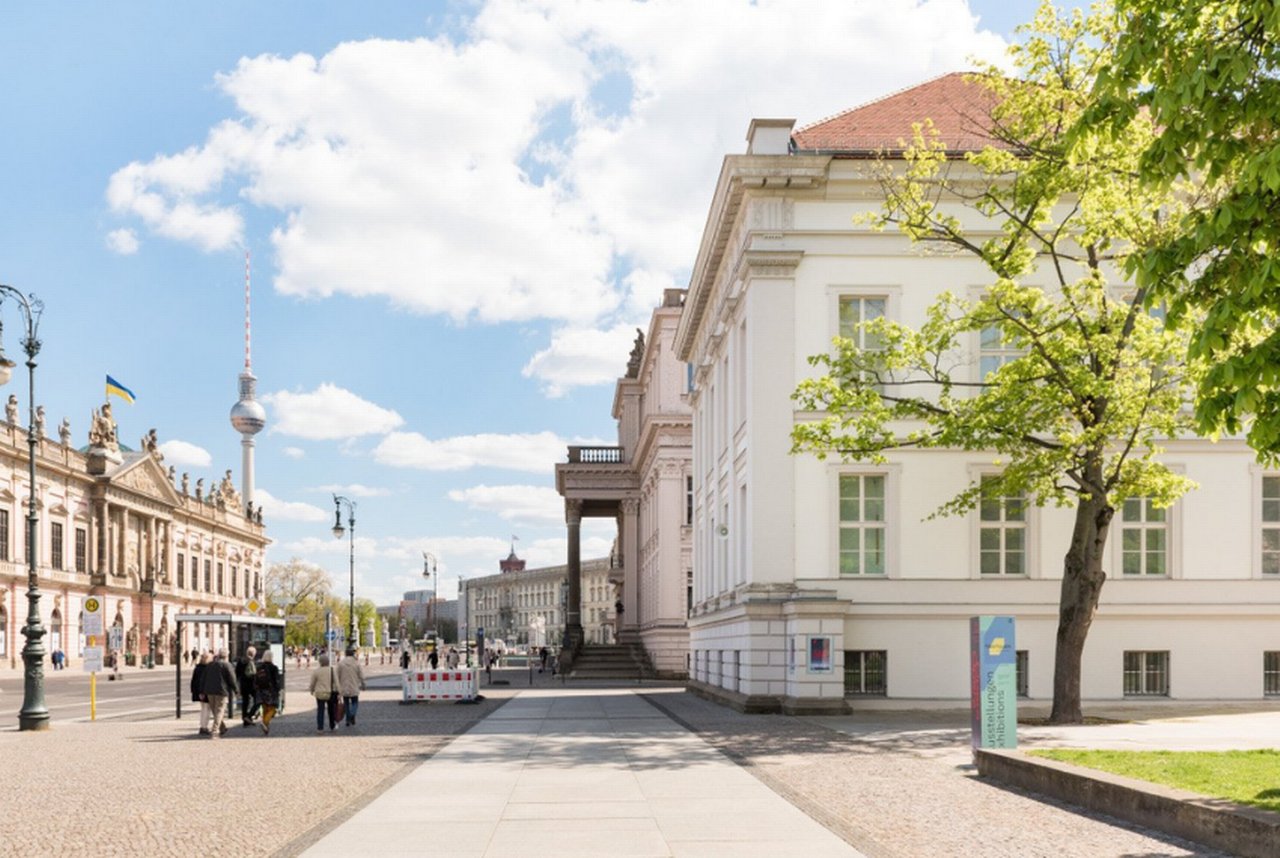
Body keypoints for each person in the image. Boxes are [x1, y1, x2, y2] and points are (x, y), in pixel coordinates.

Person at [200, 649, 238, 738]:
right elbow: (232, 679)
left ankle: (222, 728)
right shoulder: (227, 665)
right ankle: (214, 731)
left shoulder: (210, 665)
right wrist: (236, 690)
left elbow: (203, 678)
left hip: (209, 691)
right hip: (221, 691)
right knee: (219, 711)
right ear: (226, 656)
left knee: (215, 711)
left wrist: (202, 691)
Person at [309, 653, 339, 732]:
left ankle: (320, 727)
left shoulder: (316, 671)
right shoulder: (332, 670)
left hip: (319, 693)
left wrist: (311, 690)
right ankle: (332, 725)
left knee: (320, 710)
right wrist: (339, 692)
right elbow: (336, 682)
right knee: (331, 710)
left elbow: (312, 683)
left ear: (320, 662)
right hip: (330, 692)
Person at [336, 648, 366, 727]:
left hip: (344, 686)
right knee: (355, 702)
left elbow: (337, 676)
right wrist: (363, 684)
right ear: (353, 654)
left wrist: (337, 687)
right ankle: (352, 714)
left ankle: (348, 720)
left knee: (346, 704)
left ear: (345, 654)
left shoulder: (341, 663)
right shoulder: (356, 663)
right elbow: (361, 675)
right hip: (354, 686)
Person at [254, 651, 281, 735]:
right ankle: (264, 723)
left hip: (261, 691)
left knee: (265, 709)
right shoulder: (274, 668)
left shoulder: (259, 667)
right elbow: (276, 681)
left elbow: (256, 679)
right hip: (271, 691)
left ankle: (266, 728)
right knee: (273, 709)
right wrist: (278, 689)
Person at [236, 646, 259, 726]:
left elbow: (237, 673)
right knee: (258, 701)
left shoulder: (240, 661)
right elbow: (255, 674)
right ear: (254, 654)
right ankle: (249, 716)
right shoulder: (252, 662)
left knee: (245, 702)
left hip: (243, 684)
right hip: (252, 685)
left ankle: (245, 720)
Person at [191, 651, 211, 735]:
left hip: (199, 691)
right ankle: (204, 726)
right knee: (206, 709)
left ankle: (203, 726)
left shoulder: (198, 668)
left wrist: (193, 691)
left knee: (204, 709)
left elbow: (193, 681)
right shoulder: (207, 668)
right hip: (205, 691)